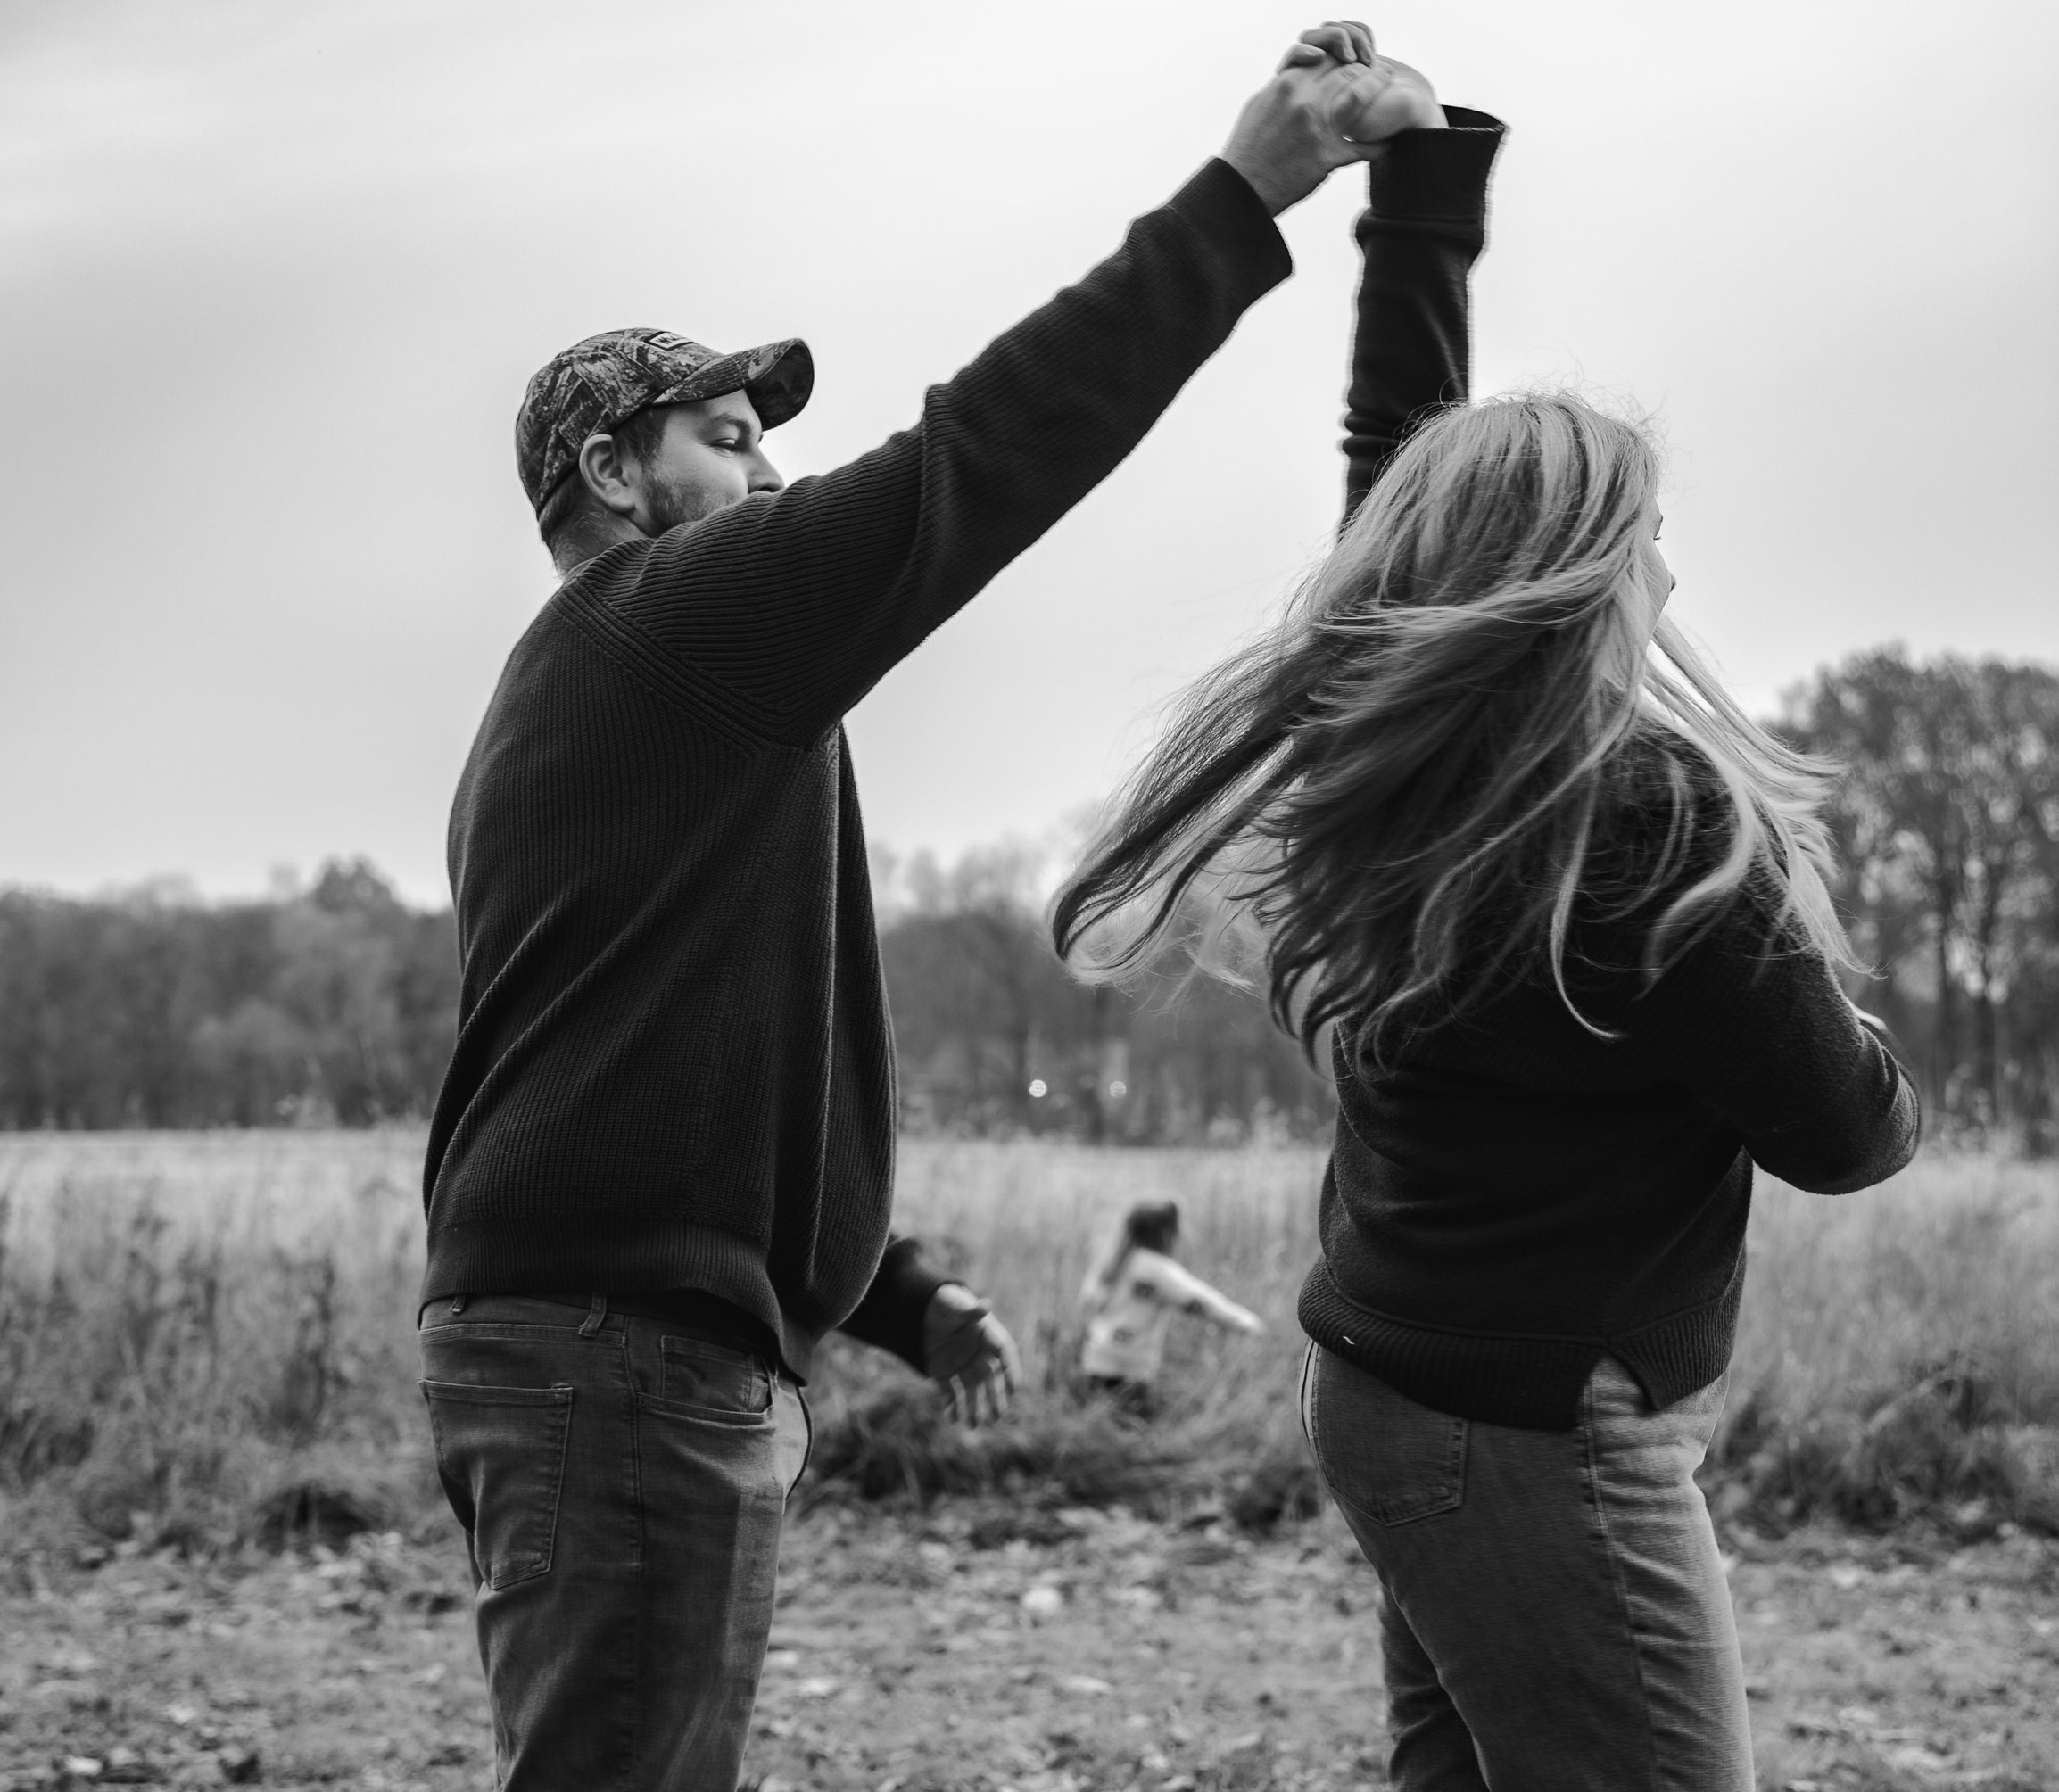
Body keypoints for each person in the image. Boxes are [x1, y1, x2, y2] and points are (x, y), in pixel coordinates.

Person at [416, 25, 1418, 1791]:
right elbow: (980, 460)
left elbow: (655, 1061)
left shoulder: (614, 700)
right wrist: (1243, 197)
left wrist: (881, 1289)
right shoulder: (676, 615)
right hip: (614, 1359)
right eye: (727, 438)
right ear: (608, 472)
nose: (775, 477)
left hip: (603, 1340)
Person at [1051, 36, 1920, 1792]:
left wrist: (1423, 193)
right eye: (1643, 534)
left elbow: (1399, 473)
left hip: (1393, 1386)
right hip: (1537, 1431)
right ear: (1588, 574)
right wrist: (1860, 1024)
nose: (1665, 568)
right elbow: (1840, 1133)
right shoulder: (1636, 813)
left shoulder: (1416, 759)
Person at [1079, 1199, 1264, 1415]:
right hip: (1129, 1366)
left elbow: (1088, 1301)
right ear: (1166, 1231)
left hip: (1097, 1358)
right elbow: (1201, 1301)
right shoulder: (1158, 1270)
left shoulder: (1114, 1261)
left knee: (1104, 1424)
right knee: (1130, 1426)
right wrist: (1245, 1323)